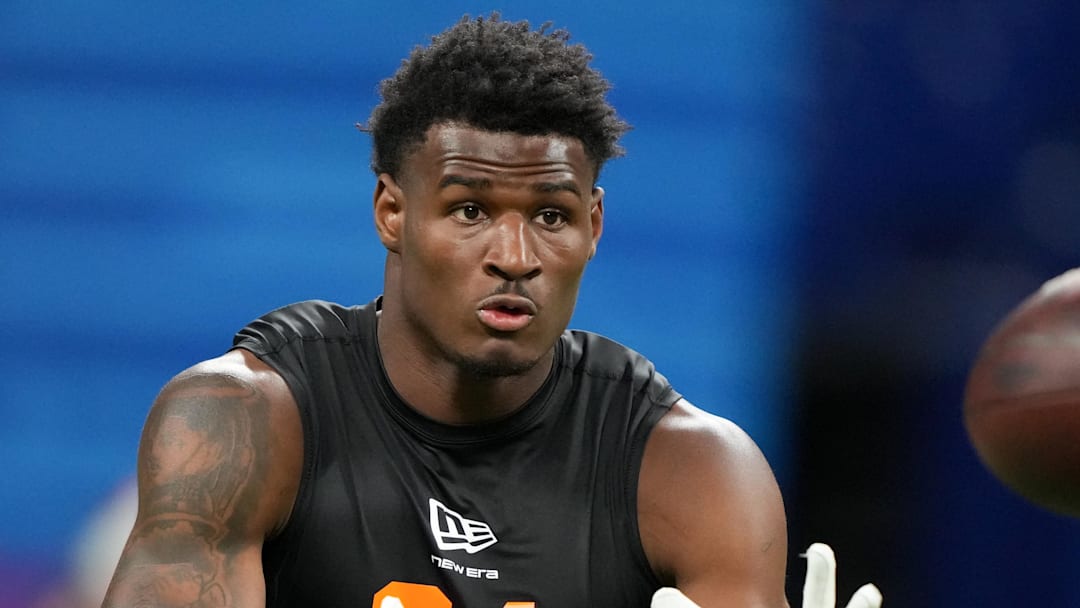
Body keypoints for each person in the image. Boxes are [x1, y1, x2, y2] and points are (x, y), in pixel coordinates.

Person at [101, 14, 881, 608]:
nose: (516, 254)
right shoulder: (245, 420)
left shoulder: (691, 474)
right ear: (391, 212)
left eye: (550, 215)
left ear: (593, 227)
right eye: (471, 209)